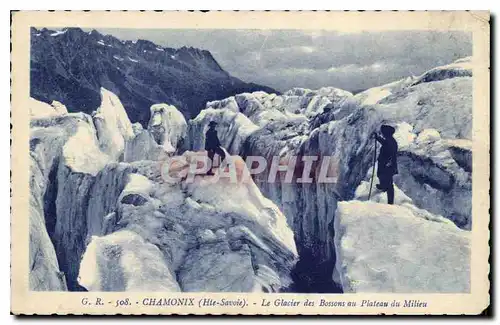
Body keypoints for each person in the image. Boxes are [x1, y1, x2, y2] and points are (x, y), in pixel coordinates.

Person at [372, 125, 398, 205]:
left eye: (383, 133)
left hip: (387, 165)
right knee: (381, 175)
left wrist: (389, 163)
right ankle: (383, 185)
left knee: (389, 183)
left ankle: (390, 202)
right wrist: (377, 137)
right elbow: (384, 142)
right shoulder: (389, 140)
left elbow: (392, 154)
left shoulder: (391, 142)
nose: (382, 134)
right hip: (385, 163)